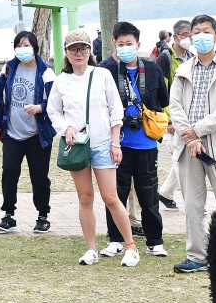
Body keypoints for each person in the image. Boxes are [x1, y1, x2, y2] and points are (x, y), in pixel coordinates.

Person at [46, 30, 137, 267]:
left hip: (103, 143)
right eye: (74, 49)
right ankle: (91, 248)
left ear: (90, 51)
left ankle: (130, 246)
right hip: (77, 145)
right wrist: (66, 128)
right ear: (66, 53)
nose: (79, 53)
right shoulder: (61, 81)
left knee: (111, 196)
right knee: (85, 197)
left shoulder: (102, 75)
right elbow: (53, 110)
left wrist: (116, 142)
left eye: (83, 48)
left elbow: (115, 110)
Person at [168, 14, 216, 274]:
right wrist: (190, 136)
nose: (200, 36)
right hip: (188, 147)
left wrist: (197, 130)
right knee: (192, 204)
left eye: (206, 31)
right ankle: (197, 256)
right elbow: (174, 105)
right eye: (196, 32)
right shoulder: (183, 69)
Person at [98, 21, 170, 258]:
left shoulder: (151, 69)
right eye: (121, 44)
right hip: (117, 144)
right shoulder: (105, 70)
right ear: (113, 44)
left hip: (146, 142)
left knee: (148, 193)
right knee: (115, 193)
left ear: (138, 44)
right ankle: (116, 239)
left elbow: (162, 98)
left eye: (130, 44)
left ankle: (155, 241)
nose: (125, 47)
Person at [0, 31, 57, 234]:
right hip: (12, 133)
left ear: (35, 47)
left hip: (38, 135)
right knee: (9, 172)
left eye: (26, 45)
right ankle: (8, 215)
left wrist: (40, 107)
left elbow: (56, 101)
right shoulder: (9, 68)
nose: (22, 49)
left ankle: (43, 216)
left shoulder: (46, 72)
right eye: (19, 45)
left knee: (40, 177)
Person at [157, 19, 195, 212]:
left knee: (183, 159)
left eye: (190, 34)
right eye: (185, 34)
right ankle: (191, 201)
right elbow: (162, 89)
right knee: (180, 160)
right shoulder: (166, 58)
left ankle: (165, 193)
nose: (188, 38)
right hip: (174, 117)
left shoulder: (190, 56)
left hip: (189, 117)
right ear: (175, 36)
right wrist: (169, 119)